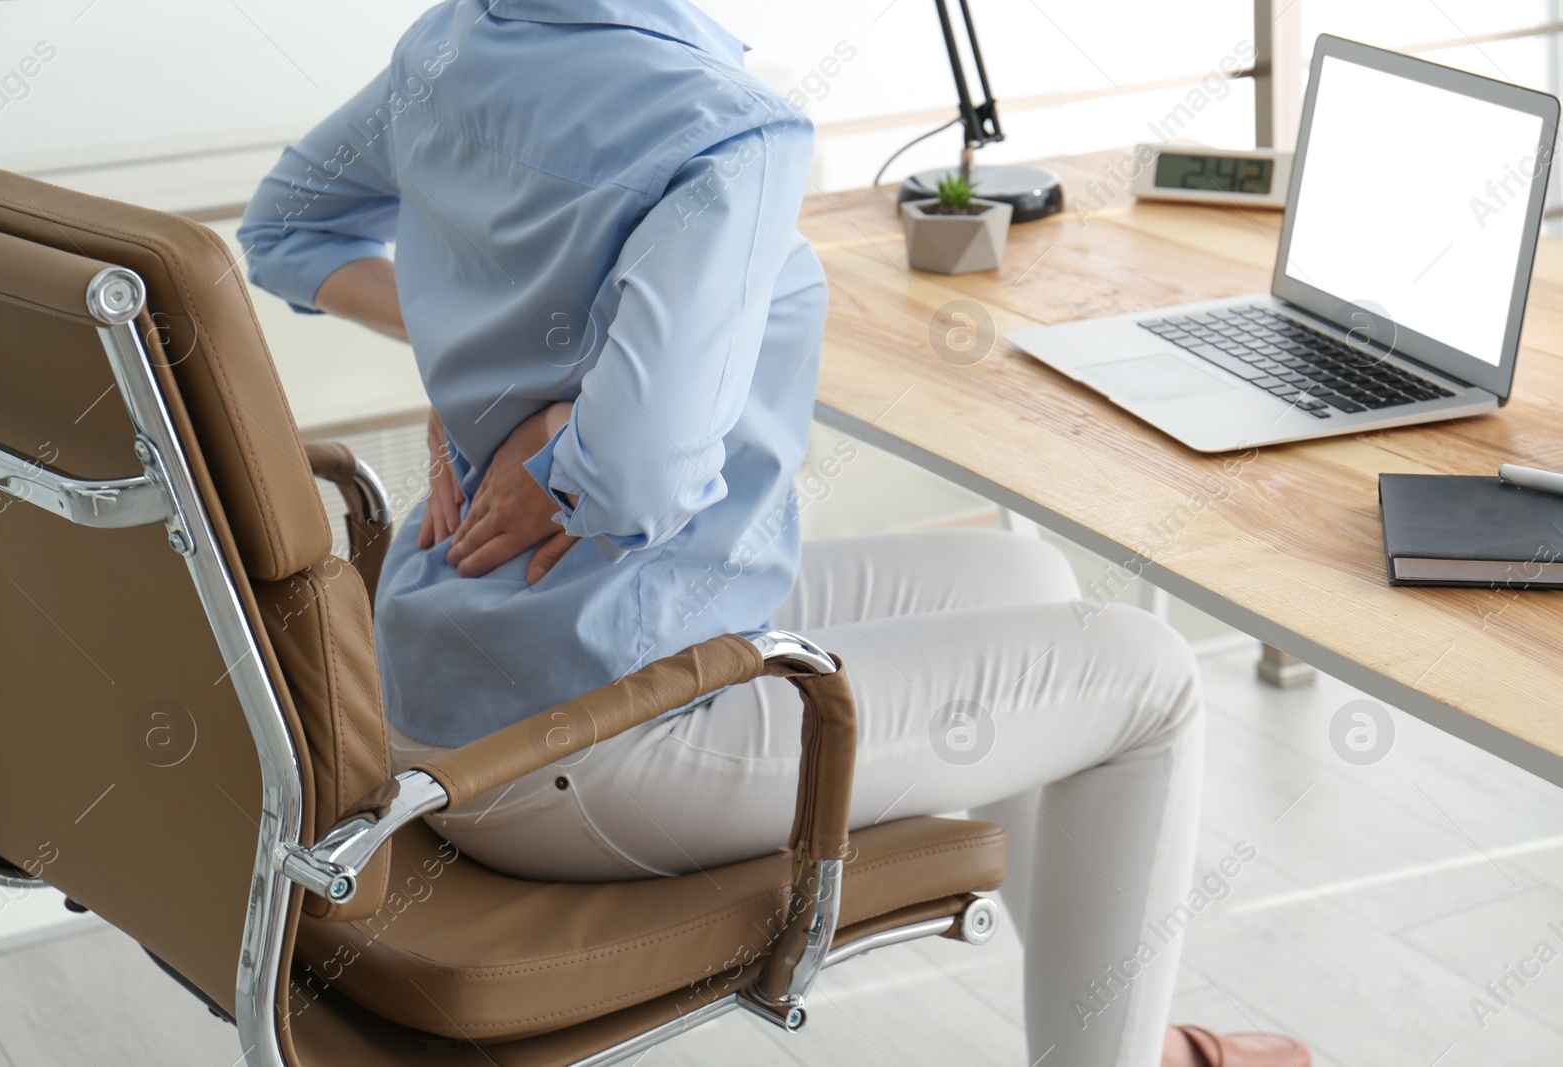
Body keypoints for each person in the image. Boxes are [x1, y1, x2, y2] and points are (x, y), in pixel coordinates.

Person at [238, 3, 1310, 1065]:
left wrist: (482, 374)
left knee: (1027, 574)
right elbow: (637, 474)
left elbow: (284, 228)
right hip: (593, 745)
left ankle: (1109, 1021)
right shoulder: (726, 131)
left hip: (453, 691)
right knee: (1151, 675)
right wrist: (568, 430)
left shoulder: (460, 36)